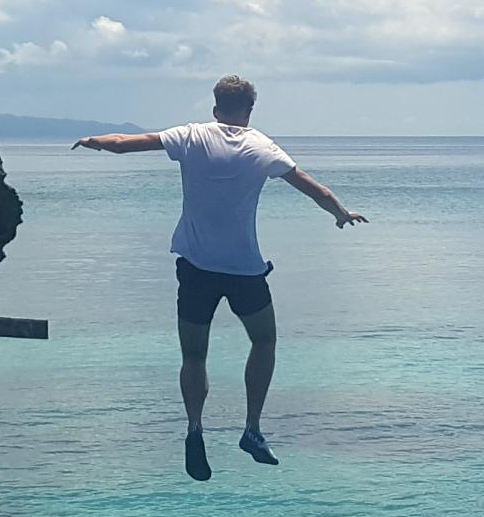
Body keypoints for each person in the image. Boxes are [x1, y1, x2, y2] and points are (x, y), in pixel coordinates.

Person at [74, 75, 366, 479]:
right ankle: (252, 429)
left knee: (194, 356)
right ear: (249, 109)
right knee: (263, 340)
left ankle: (195, 426)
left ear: (215, 108)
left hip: (195, 267)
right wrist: (341, 214)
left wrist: (93, 141)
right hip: (245, 270)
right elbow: (312, 188)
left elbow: (128, 144)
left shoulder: (191, 136)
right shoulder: (263, 147)